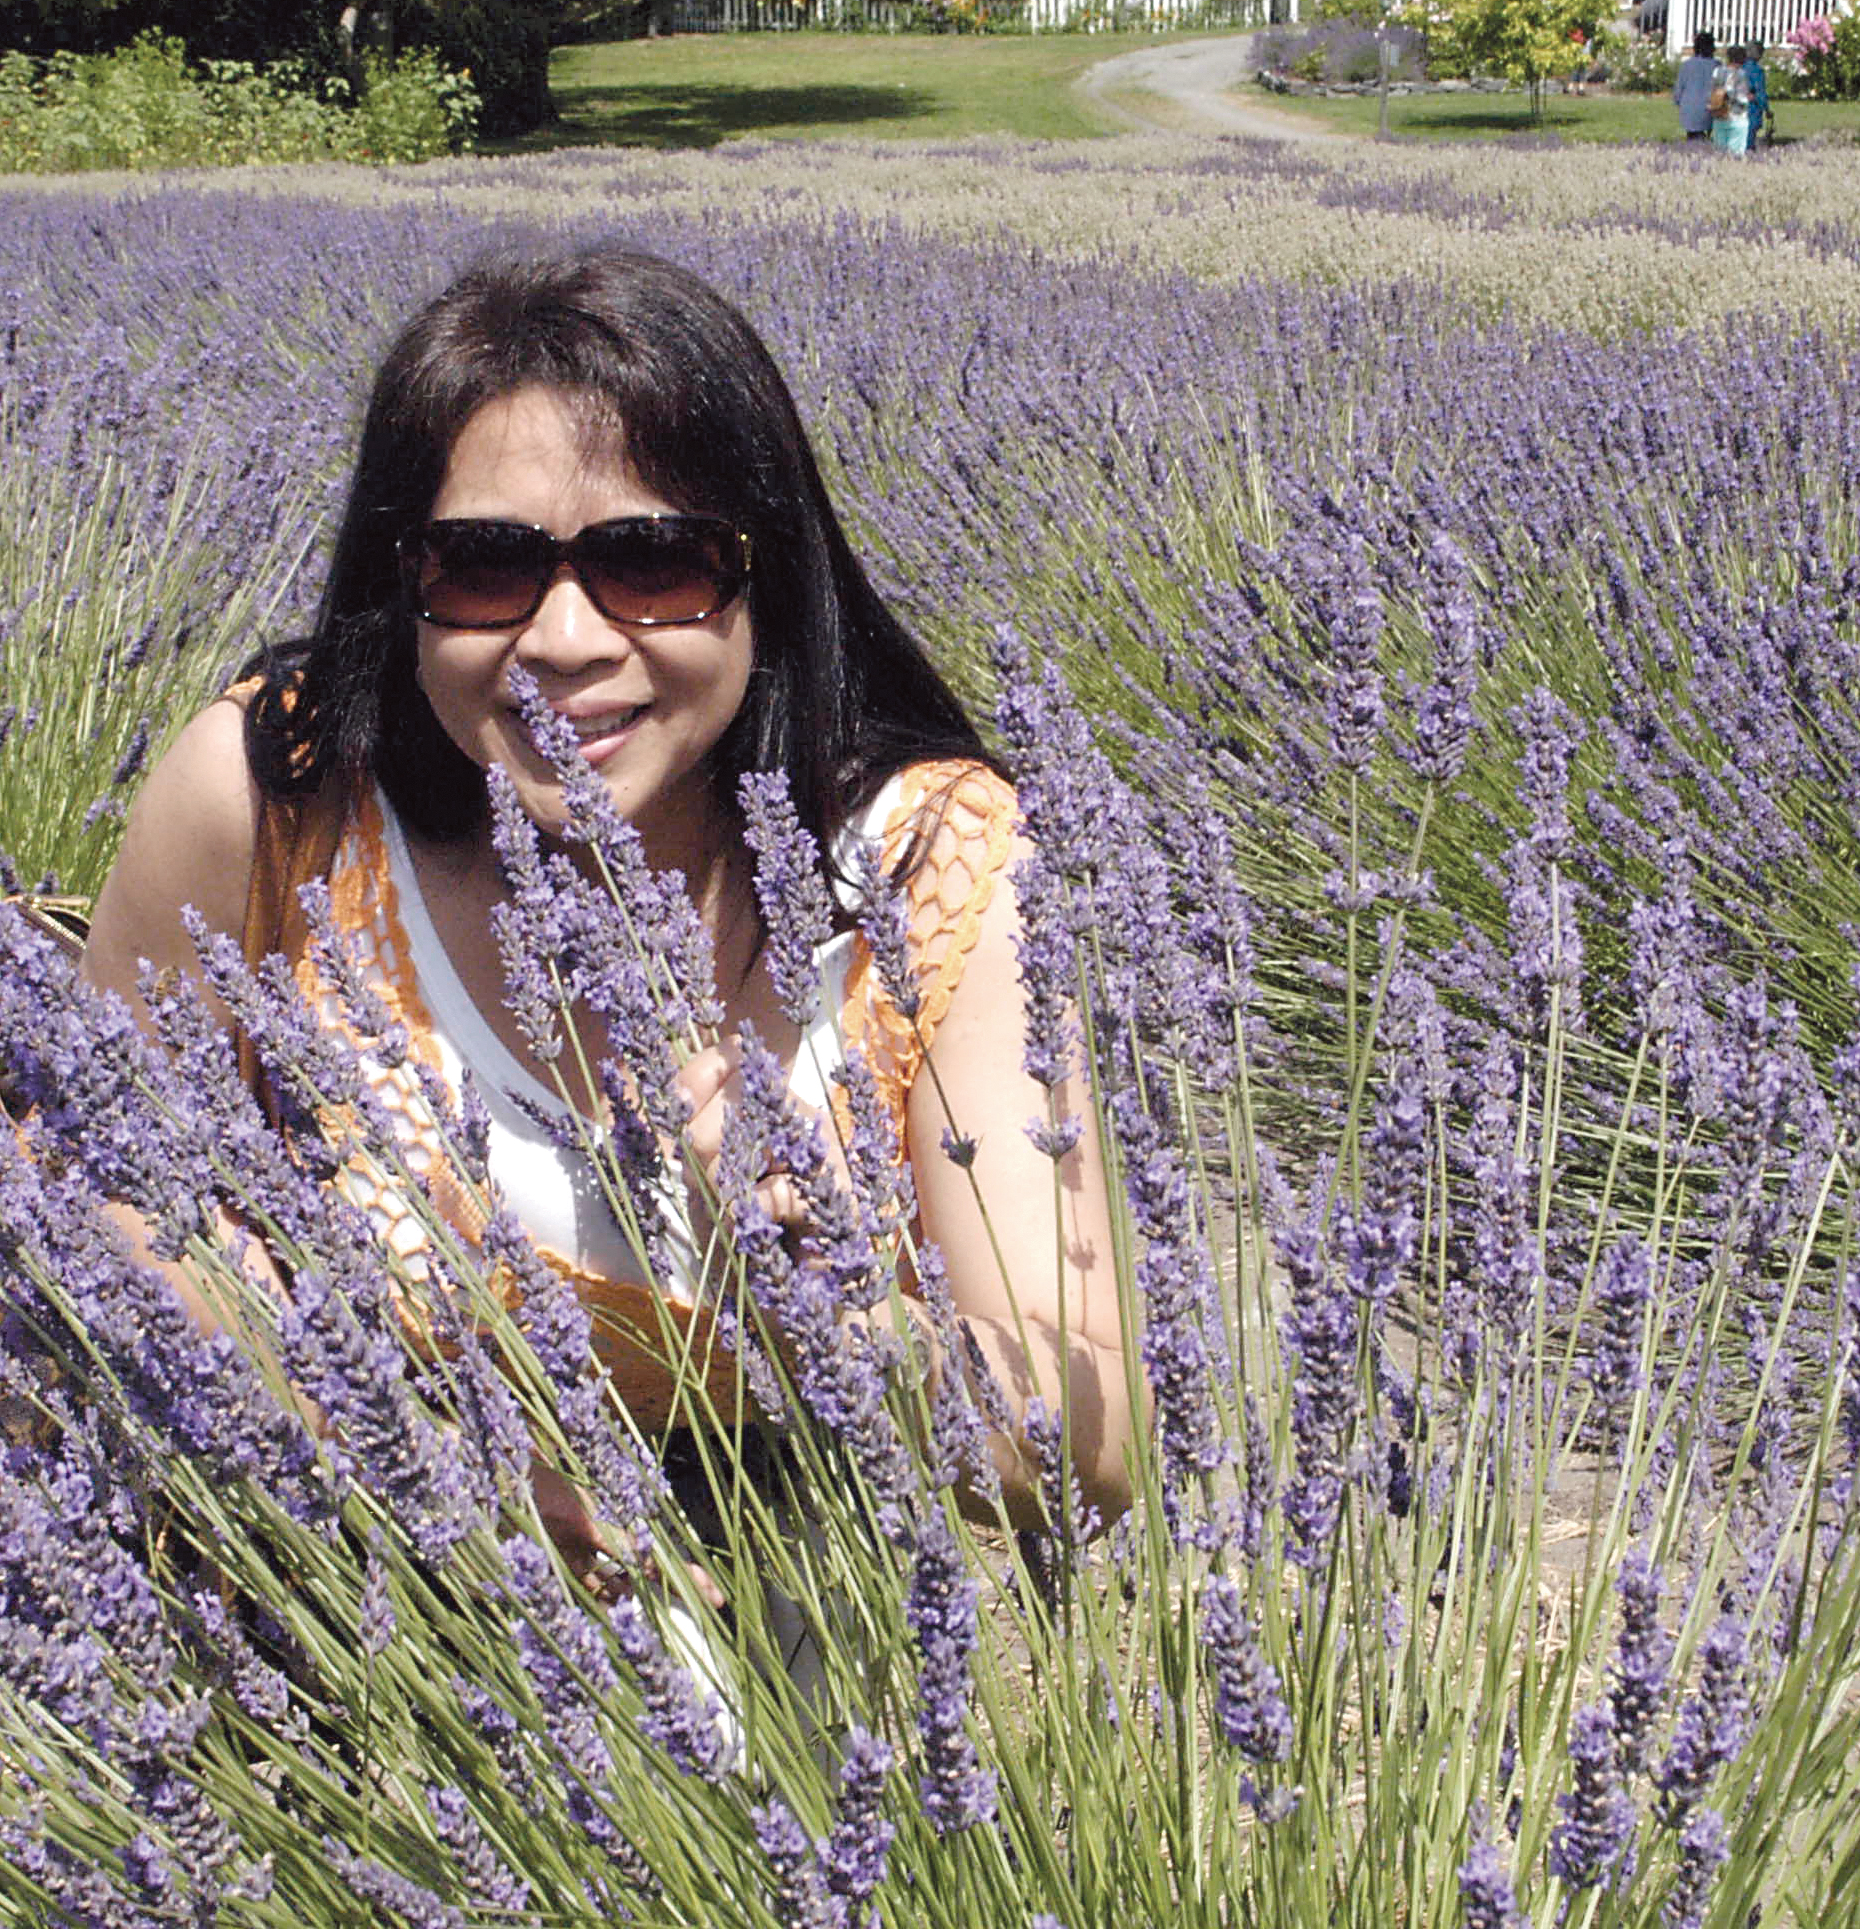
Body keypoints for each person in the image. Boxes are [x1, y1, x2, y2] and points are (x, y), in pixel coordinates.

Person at [80, 247, 1136, 1593]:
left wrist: (828, 1327)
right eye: (484, 568)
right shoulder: (276, 800)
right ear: (404, 585)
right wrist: (373, 1439)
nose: (567, 637)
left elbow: (1093, 1451)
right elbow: (85, 1165)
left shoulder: (930, 871)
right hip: (320, 1616)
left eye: (654, 561)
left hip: (782, 1660)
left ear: (765, 576)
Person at [1674, 28, 1719, 140]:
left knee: (1693, 135)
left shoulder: (1687, 65)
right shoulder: (1717, 65)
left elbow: (1678, 91)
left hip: (1689, 108)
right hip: (1710, 109)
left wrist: (1679, 101)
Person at [1712, 42, 1754, 155]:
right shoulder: (1741, 74)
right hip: (1737, 117)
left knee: (1720, 152)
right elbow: (1740, 98)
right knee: (1736, 153)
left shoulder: (1717, 71)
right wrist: (1749, 97)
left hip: (1720, 114)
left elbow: (1713, 90)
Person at [1744, 38, 1772, 149]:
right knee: (1750, 141)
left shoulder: (1741, 67)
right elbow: (1760, 92)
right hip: (1752, 110)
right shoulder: (1757, 70)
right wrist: (1767, 109)